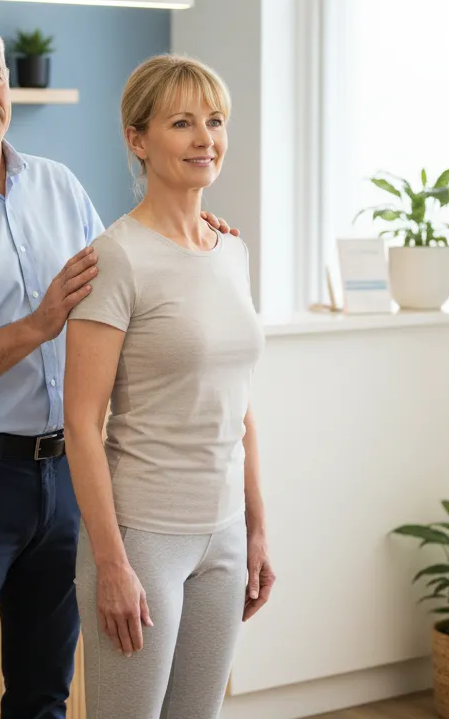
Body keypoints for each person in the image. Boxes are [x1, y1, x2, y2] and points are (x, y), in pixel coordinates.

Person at [0, 14, 237, 719]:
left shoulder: (59, 187)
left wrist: (196, 234)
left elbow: (129, 280)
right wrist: (36, 327)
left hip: (65, 476)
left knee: (45, 694)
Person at [63, 54, 275, 719]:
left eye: (214, 121)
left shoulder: (232, 251)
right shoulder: (116, 258)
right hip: (143, 538)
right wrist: (112, 563)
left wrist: (257, 529)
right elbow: (80, 423)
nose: (204, 138)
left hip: (224, 536)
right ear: (137, 139)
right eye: (182, 123)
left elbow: (239, 406)